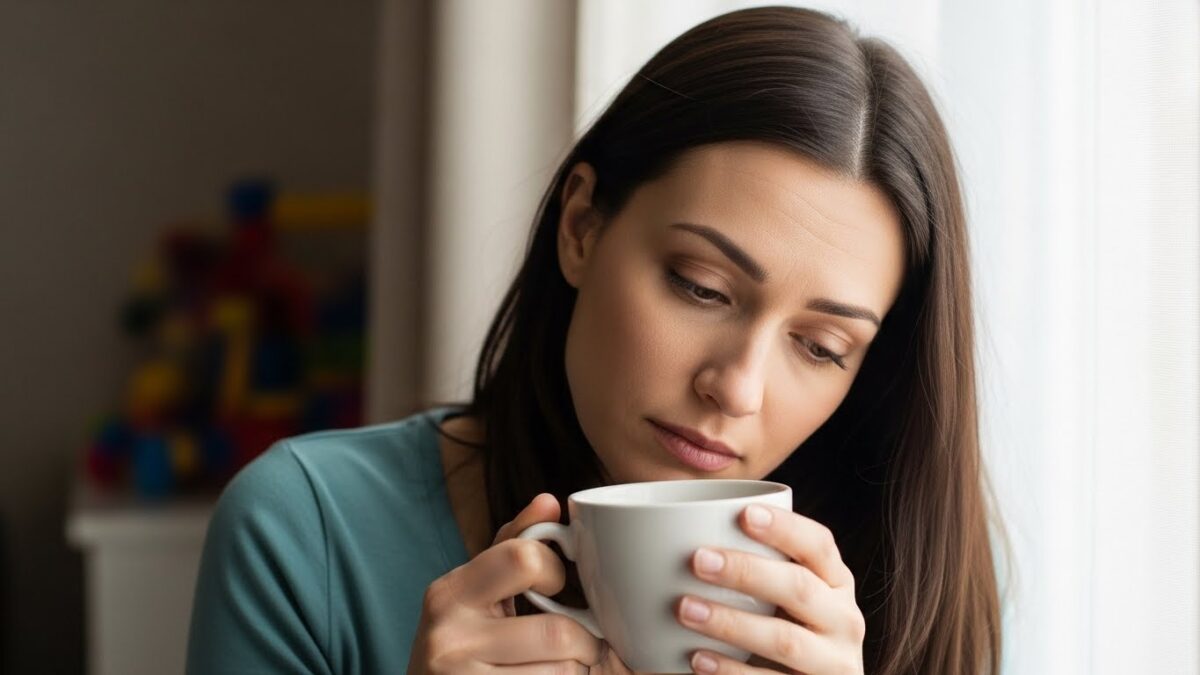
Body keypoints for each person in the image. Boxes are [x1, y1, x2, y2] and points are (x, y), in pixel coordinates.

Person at [186, 5, 1007, 674]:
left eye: (823, 346)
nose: (738, 387)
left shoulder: (911, 580)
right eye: (702, 287)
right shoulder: (308, 533)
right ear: (581, 225)